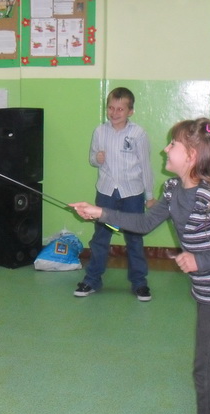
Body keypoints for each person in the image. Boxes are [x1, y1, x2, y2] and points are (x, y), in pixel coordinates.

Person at [70, 118, 210, 414]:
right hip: (209, 286)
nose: (164, 149)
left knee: (204, 363)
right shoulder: (173, 189)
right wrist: (99, 212)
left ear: (192, 155)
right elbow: (143, 223)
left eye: (172, 144)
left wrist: (201, 260)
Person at [74, 87, 155, 301]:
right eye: (111, 108)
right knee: (101, 237)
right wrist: (97, 159)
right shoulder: (100, 131)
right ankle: (92, 279)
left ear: (130, 111)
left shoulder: (138, 134)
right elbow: (92, 158)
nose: (114, 112)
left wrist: (149, 196)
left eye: (120, 109)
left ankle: (139, 282)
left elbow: (146, 166)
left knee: (134, 238)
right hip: (106, 192)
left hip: (132, 194)